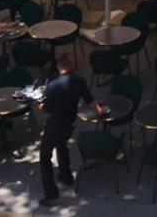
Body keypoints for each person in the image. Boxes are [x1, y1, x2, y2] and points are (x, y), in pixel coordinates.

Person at [38, 54, 102, 206]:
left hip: (55, 125)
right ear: (70, 66)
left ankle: (51, 193)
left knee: (44, 156)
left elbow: (46, 109)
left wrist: (37, 103)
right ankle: (66, 176)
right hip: (70, 124)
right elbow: (89, 99)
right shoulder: (79, 80)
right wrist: (101, 111)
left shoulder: (53, 86)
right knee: (61, 144)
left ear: (59, 68)